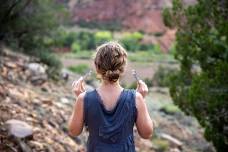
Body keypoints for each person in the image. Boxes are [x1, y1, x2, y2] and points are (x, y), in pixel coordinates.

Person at [68, 42, 153, 152]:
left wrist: (80, 100)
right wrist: (141, 100)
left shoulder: (84, 99)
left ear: (96, 67)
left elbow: (74, 131)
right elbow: (147, 133)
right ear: (123, 68)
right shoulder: (136, 98)